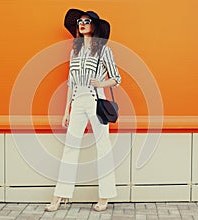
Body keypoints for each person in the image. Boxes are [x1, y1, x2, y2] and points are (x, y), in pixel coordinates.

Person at [45, 8, 121, 212]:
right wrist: (66, 111)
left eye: (87, 21)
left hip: (96, 100)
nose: (82, 23)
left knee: (103, 148)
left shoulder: (104, 50)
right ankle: (59, 195)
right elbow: (70, 82)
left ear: (94, 25)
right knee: (70, 147)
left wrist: (101, 83)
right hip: (78, 101)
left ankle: (105, 196)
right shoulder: (75, 50)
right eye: (80, 21)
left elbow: (117, 78)